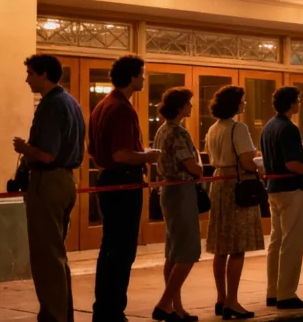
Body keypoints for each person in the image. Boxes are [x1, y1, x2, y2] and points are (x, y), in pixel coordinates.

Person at [89, 55, 160, 322]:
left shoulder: (103, 105)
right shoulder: (120, 108)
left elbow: (100, 153)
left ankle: (104, 309)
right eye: (142, 74)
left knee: (110, 249)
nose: (143, 79)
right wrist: (147, 157)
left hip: (108, 180)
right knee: (121, 251)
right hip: (122, 182)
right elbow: (120, 154)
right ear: (132, 76)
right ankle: (113, 312)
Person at [14, 54, 84, 322]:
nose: (27, 79)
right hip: (66, 180)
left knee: (46, 255)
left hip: (49, 181)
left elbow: (47, 155)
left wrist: (24, 149)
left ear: (44, 74)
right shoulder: (71, 103)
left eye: (31, 73)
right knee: (56, 251)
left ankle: (53, 315)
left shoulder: (52, 106)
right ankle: (62, 312)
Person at [205, 86, 263, 320]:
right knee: (237, 247)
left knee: (221, 247)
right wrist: (258, 162)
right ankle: (233, 301)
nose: (244, 105)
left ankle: (221, 298)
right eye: (242, 101)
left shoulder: (213, 128)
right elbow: (247, 162)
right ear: (235, 104)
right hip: (237, 185)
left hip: (219, 184)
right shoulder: (239, 128)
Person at [261, 86, 303, 310]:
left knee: (276, 241)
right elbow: (292, 163)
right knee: (292, 241)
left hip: (273, 188)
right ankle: (287, 293)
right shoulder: (289, 129)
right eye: (298, 101)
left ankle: (272, 291)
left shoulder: (268, 127)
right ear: (292, 103)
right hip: (290, 188)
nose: (299, 104)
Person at [151, 88, 203, 322]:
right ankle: (164, 303)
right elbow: (190, 165)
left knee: (173, 251)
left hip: (167, 190)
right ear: (181, 106)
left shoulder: (161, 130)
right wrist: (200, 170)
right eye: (189, 103)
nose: (192, 106)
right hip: (181, 191)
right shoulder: (178, 132)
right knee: (188, 251)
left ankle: (176, 308)